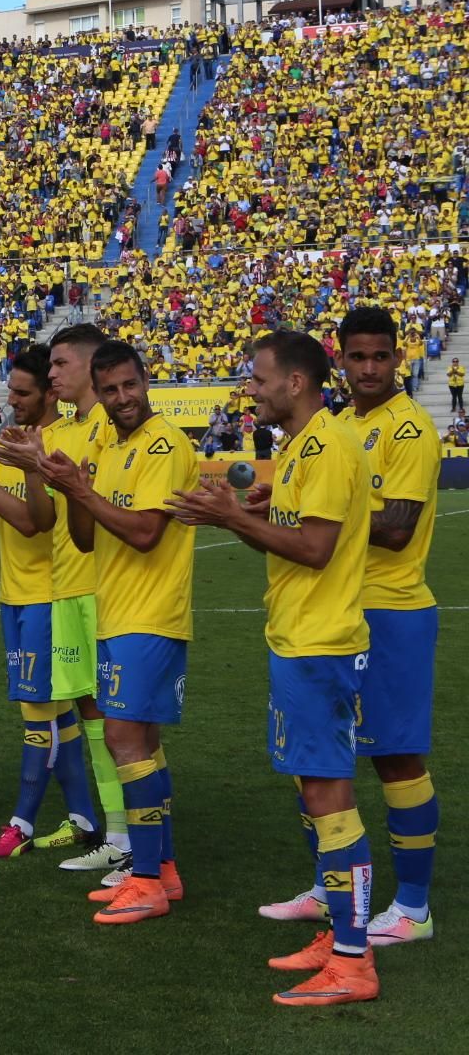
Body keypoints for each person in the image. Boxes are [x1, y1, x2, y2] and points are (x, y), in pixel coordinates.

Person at [167, 330, 379, 1006]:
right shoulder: (299, 448)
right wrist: (243, 512)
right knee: (313, 794)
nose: (249, 390)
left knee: (330, 798)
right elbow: (293, 528)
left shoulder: (326, 446)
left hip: (321, 643)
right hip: (299, 638)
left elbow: (314, 549)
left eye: (258, 379)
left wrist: (232, 517)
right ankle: (337, 932)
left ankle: (354, 959)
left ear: (295, 382)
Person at [259, 306, 441, 948]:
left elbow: (397, 528)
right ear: (339, 360)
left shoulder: (410, 429)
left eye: (380, 356)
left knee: (395, 757)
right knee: (325, 763)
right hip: (336, 608)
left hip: (390, 608)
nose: (368, 368)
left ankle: (413, 907)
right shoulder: (334, 426)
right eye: (357, 356)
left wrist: (323, 521)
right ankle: (329, 887)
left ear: (398, 357)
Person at [38, 341, 197, 924]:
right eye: (111, 390)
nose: (123, 398)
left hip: (151, 614)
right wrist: (69, 483)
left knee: (125, 740)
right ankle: (164, 872)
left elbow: (147, 532)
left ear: (146, 381)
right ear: (100, 395)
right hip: (117, 612)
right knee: (140, 745)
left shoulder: (164, 443)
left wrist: (83, 491)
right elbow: (84, 537)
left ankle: (147, 878)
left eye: (130, 385)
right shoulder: (112, 445)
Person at [0, 347, 99, 858]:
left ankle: (22, 825)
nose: (14, 402)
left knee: (39, 717)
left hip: (52, 598)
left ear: (53, 392)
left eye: (25, 393)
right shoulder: (9, 442)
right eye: (12, 391)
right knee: (59, 717)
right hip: (16, 594)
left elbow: (35, 520)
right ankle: (82, 818)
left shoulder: (61, 444)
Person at [0, 323, 129, 871]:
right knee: (95, 716)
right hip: (69, 590)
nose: (53, 375)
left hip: (96, 591)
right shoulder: (70, 432)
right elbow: (51, 518)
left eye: (61, 365)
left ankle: (129, 839)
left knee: (116, 720)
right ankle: (112, 832)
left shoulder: (106, 431)